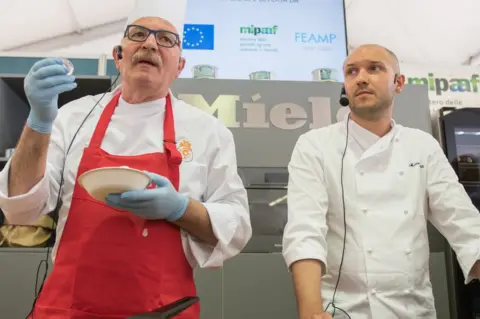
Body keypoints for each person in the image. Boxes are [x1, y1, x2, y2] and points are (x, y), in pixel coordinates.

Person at [0, 0, 252, 318]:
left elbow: (237, 227)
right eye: (138, 34)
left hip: (163, 310)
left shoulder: (209, 132)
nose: (149, 43)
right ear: (119, 56)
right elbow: (20, 208)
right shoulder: (73, 117)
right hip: (67, 309)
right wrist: (38, 123)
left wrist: (180, 208)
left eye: (165, 38)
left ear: (180, 66)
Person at [282, 44, 480, 319]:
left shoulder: (422, 146)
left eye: (374, 68)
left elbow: (464, 223)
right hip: (341, 310)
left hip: (412, 309)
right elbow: (304, 231)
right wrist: (311, 312)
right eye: (352, 72)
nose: (361, 77)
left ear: (398, 83)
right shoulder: (315, 145)